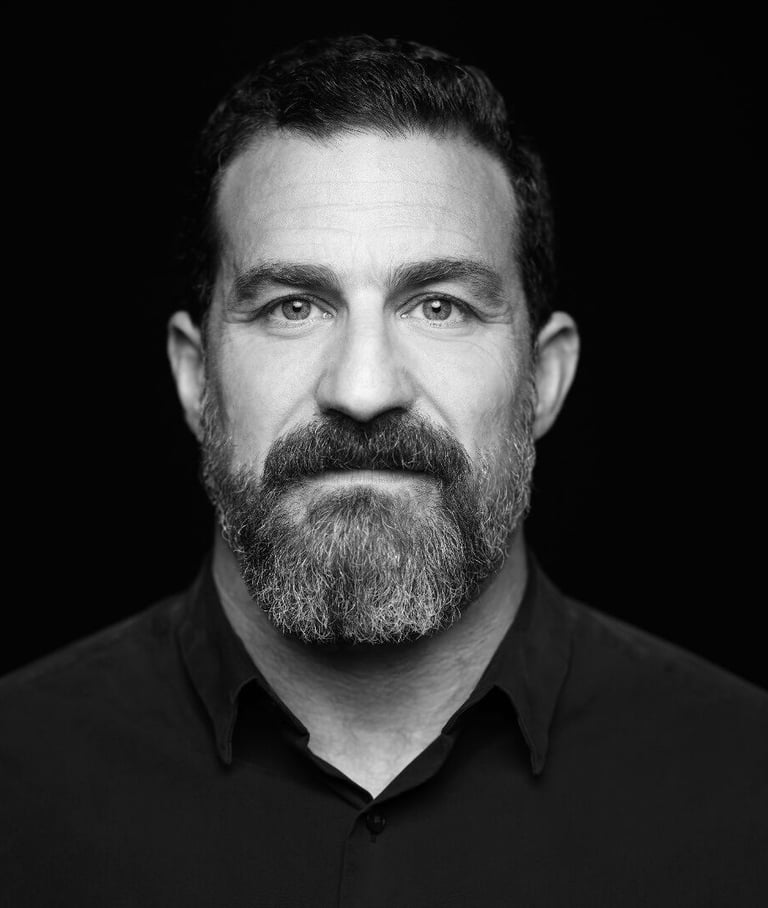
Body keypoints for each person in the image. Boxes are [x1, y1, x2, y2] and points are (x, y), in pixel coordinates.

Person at [1, 34, 765, 907]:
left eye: (439, 306)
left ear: (545, 379)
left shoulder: (745, 784)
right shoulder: (18, 780)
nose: (363, 391)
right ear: (194, 374)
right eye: (293, 306)